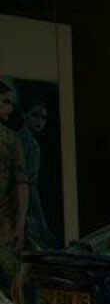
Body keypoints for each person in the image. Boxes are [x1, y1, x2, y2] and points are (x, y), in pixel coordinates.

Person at [0, 79, 30, 301]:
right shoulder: (11, 138)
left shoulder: (10, 138)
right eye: (5, 102)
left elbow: (21, 183)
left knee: (13, 277)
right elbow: (21, 183)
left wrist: (19, 224)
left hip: (5, 221)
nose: (9, 109)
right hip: (6, 221)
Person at [19, 98, 55, 250]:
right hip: (22, 211)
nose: (39, 121)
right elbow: (30, 185)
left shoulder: (15, 138)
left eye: (43, 117)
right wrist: (42, 223)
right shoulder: (31, 145)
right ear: (24, 115)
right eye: (35, 115)